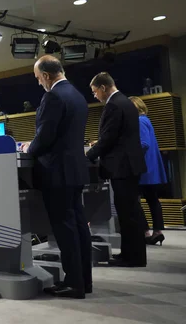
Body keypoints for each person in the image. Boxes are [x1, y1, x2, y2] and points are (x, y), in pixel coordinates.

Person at [21, 55, 92, 299]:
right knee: (79, 225)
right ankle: (84, 280)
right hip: (75, 170)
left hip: (57, 172)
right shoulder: (78, 95)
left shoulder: (53, 96)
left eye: (39, 78)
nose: (39, 83)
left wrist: (28, 148)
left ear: (48, 76)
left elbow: (46, 135)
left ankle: (73, 284)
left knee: (65, 228)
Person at [87, 72, 147, 268]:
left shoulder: (113, 105)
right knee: (131, 213)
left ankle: (132, 257)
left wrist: (88, 155)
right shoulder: (126, 102)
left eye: (95, 92)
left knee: (127, 214)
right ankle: (132, 254)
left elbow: (108, 138)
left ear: (103, 88)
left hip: (122, 167)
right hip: (130, 165)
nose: (95, 96)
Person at [129, 96, 168, 246]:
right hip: (150, 167)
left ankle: (145, 231)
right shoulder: (146, 120)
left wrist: (129, 154)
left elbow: (144, 144)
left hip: (143, 168)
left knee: (135, 200)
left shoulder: (139, 121)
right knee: (153, 200)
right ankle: (157, 232)